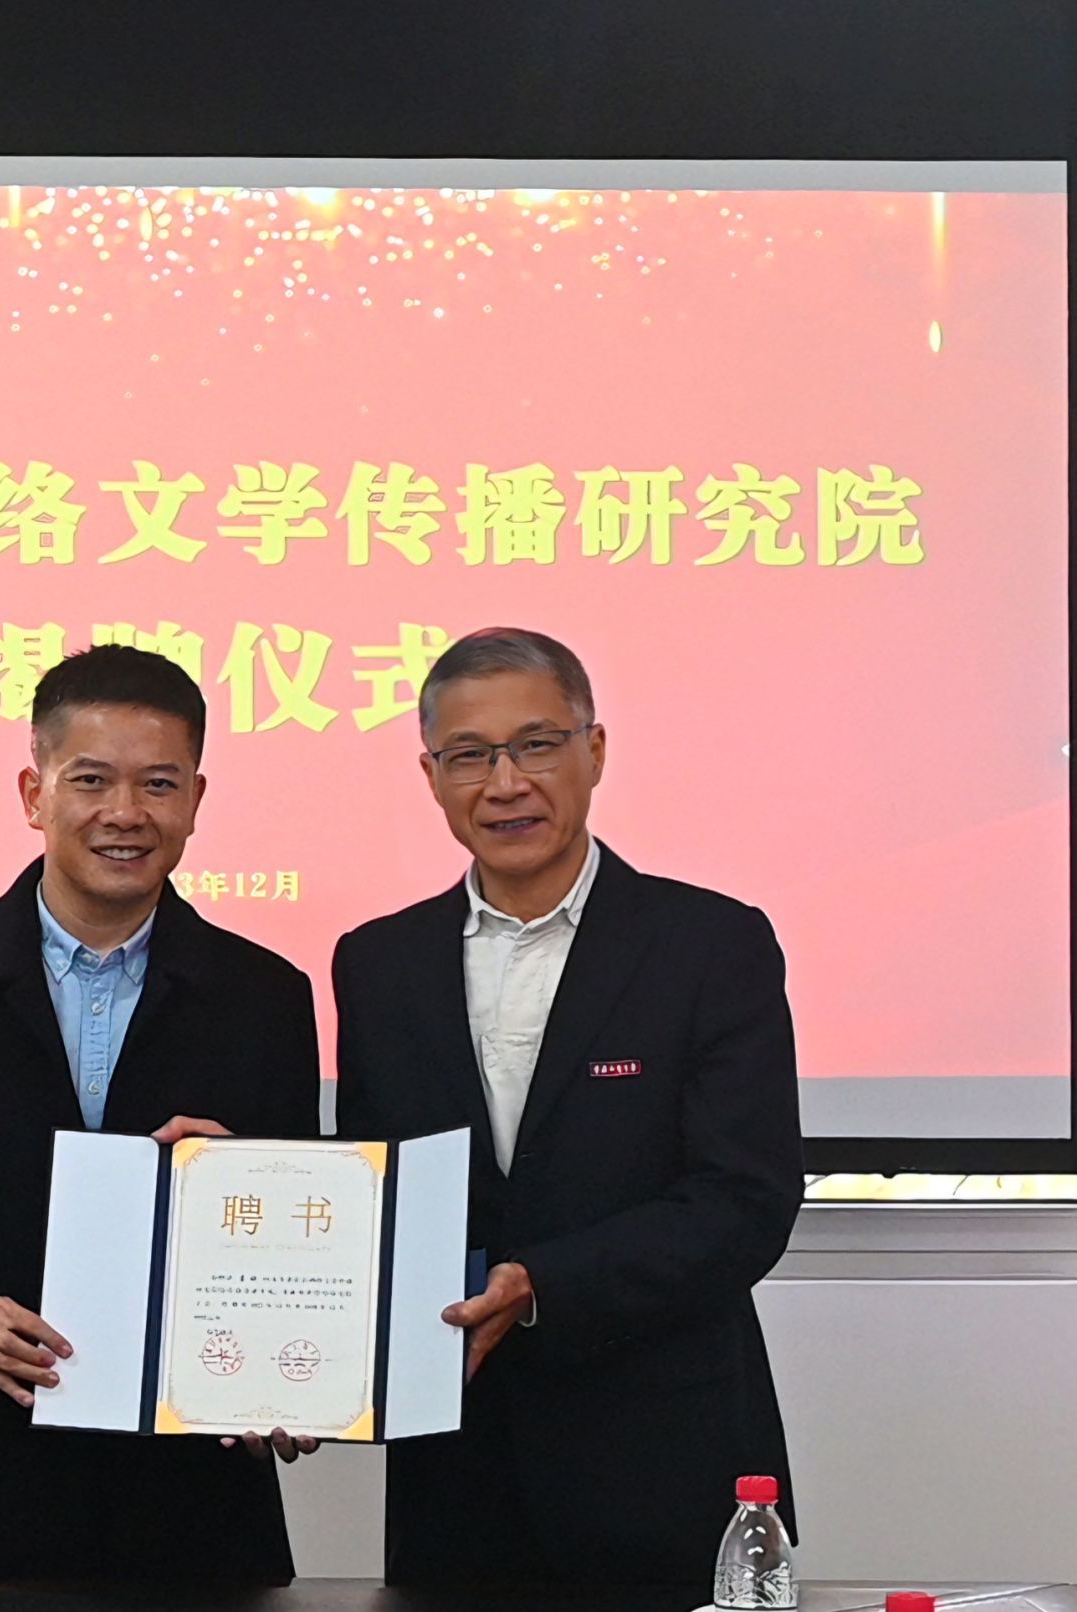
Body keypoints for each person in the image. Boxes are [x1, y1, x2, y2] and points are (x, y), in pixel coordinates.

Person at [0, 644, 320, 1582]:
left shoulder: (265, 997)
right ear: (34, 794)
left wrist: (284, 1349)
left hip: (193, 1515)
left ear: (197, 799)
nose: (126, 813)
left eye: (159, 784)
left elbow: (300, 1239)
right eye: (91, 780)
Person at [332, 626, 802, 1585]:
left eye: (536, 745)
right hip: (458, 1479)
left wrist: (541, 1282)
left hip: (666, 1459)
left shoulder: (710, 945)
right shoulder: (379, 964)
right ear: (431, 777)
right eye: (469, 755)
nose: (505, 783)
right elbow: (378, 1195)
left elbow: (745, 1201)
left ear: (595, 751)